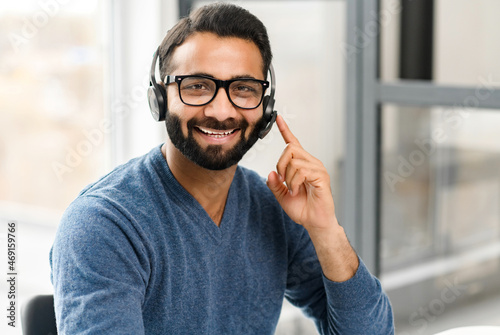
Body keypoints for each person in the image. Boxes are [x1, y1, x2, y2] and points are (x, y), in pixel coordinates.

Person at [50, 2, 394, 334]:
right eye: (198, 86)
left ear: (266, 107)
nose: (220, 110)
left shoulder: (273, 209)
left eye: (243, 89)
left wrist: (326, 230)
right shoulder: (104, 225)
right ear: (160, 97)